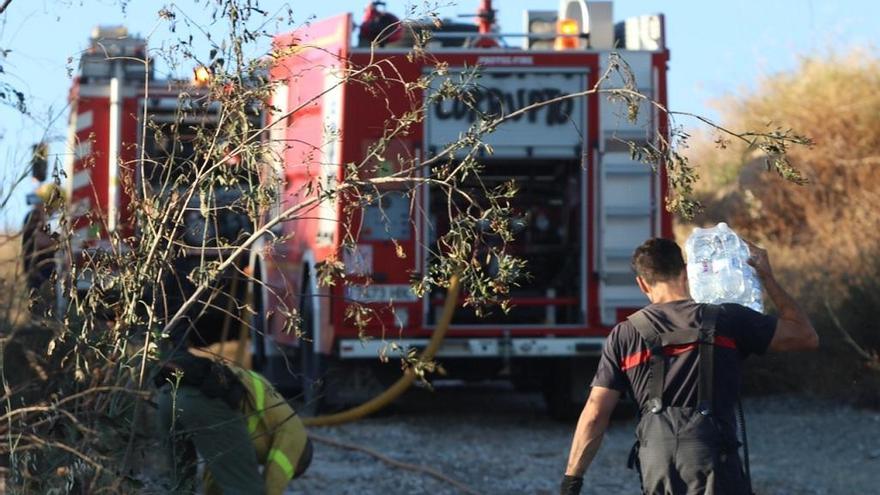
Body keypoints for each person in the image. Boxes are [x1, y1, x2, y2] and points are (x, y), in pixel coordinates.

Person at [560, 237, 817, 495]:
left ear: (641, 283)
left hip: (657, 463)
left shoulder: (624, 335)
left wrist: (572, 481)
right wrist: (767, 278)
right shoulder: (728, 319)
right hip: (713, 459)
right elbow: (805, 336)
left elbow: (595, 414)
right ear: (686, 271)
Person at [154, 347, 312, 494]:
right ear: (297, 462)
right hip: (204, 399)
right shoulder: (296, 437)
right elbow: (274, 480)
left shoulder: (271, 419)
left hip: (167, 397)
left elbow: (220, 468)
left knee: (181, 485)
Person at [21, 182, 64, 315]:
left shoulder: (44, 219)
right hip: (37, 270)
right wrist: (63, 242)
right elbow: (41, 241)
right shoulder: (33, 217)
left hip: (45, 270)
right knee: (40, 308)